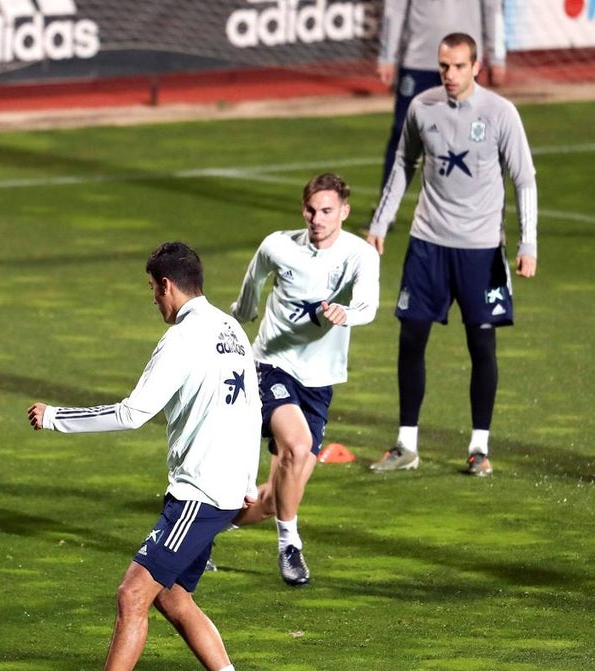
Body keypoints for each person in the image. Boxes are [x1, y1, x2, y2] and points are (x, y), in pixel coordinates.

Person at [28, 242, 267, 671]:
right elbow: (252, 406)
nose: (153, 300)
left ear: (166, 285)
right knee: (172, 595)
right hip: (225, 487)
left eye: (152, 289)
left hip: (200, 492)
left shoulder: (182, 338)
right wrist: (248, 480)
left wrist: (55, 417)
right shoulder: (232, 329)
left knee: (132, 593)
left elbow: (133, 412)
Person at [367, 32, 537, 476]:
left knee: (481, 344)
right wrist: (381, 223)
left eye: (459, 66)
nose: (450, 74)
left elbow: (524, 178)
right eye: (444, 66)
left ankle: (479, 447)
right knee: (411, 339)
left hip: (481, 250)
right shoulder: (422, 107)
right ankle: (406, 444)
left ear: (476, 67)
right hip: (428, 244)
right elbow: (403, 164)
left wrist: (528, 243)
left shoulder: (500, 112)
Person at [230, 173, 380, 586]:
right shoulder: (278, 246)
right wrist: (238, 318)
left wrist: (347, 313)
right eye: (311, 210)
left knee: (276, 496)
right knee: (296, 446)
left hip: (320, 380)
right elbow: (252, 286)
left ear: (344, 212)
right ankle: (289, 546)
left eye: (327, 211)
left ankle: (196, 538)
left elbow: (368, 304)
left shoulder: (360, 254)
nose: (317, 219)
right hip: (271, 365)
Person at [376, 0, 505, 199]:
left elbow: (493, 8)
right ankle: (386, 206)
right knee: (403, 133)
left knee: (466, 135)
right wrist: (387, 56)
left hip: (463, 64)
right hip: (418, 61)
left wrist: (497, 57)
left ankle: (464, 203)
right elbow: (395, 8)